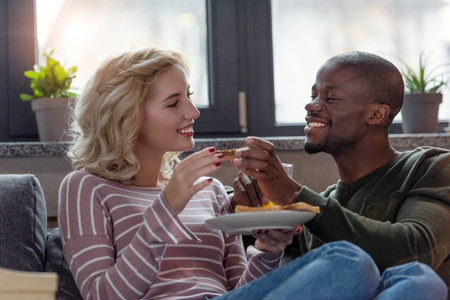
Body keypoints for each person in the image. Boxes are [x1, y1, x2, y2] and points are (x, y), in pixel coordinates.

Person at [58, 47, 446, 300]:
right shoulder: (85, 188)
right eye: (174, 102)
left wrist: (267, 248)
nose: (193, 113)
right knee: (350, 262)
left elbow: (243, 289)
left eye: (189, 98)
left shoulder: (207, 189)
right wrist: (168, 204)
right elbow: (102, 295)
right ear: (126, 114)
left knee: (419, 280)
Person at [231, 51, 449, 294]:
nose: (310, 105)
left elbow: (416, 252)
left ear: (376, 114)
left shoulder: (430, 167)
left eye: (331, 98)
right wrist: (246, 203)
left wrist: (294, 195)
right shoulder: (322, 205)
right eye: (313, 95)